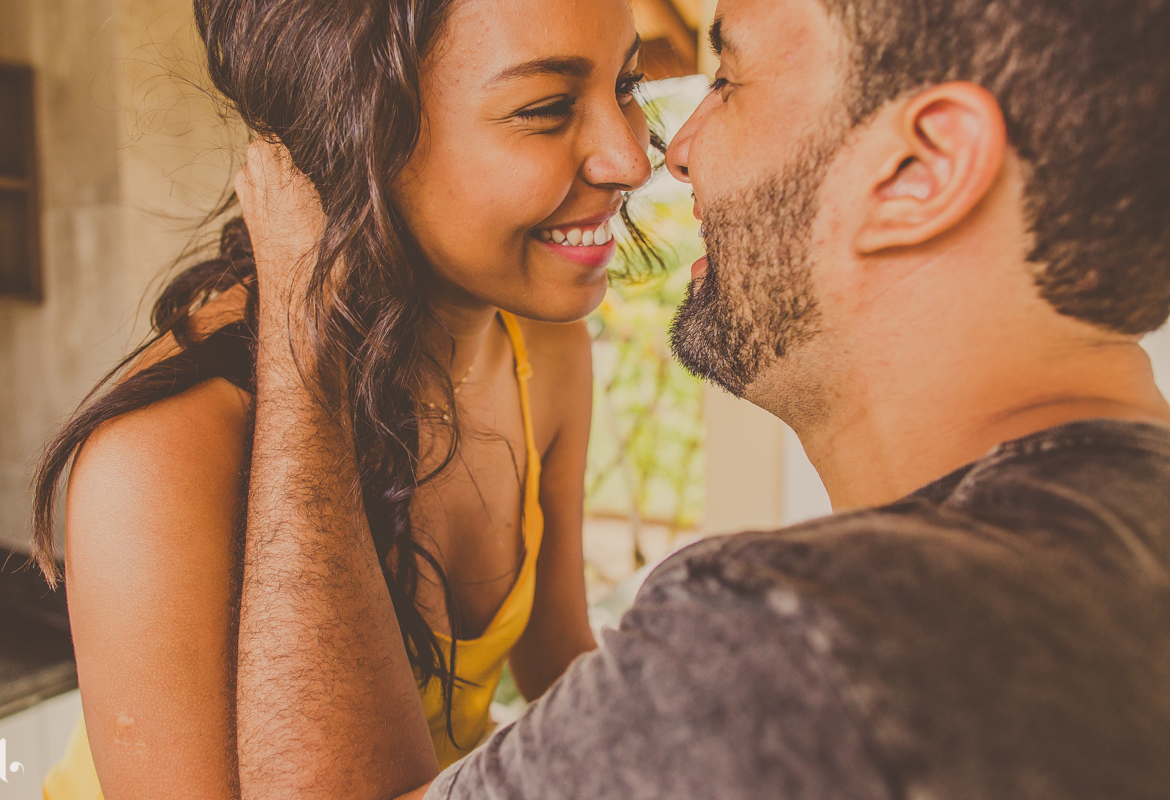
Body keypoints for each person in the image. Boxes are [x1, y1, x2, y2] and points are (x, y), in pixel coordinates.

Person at [232, 0, 1170, 797]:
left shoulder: (799, 639)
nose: (665, 155)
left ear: (921, 169)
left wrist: (301, 322)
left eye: (727, 80)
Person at [34, 0, 656, 796]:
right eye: (545, 109)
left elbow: (556, 656)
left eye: (628, 82)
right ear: (353, 133)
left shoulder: (544, 347)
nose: (629, 157)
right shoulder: (164, 452)